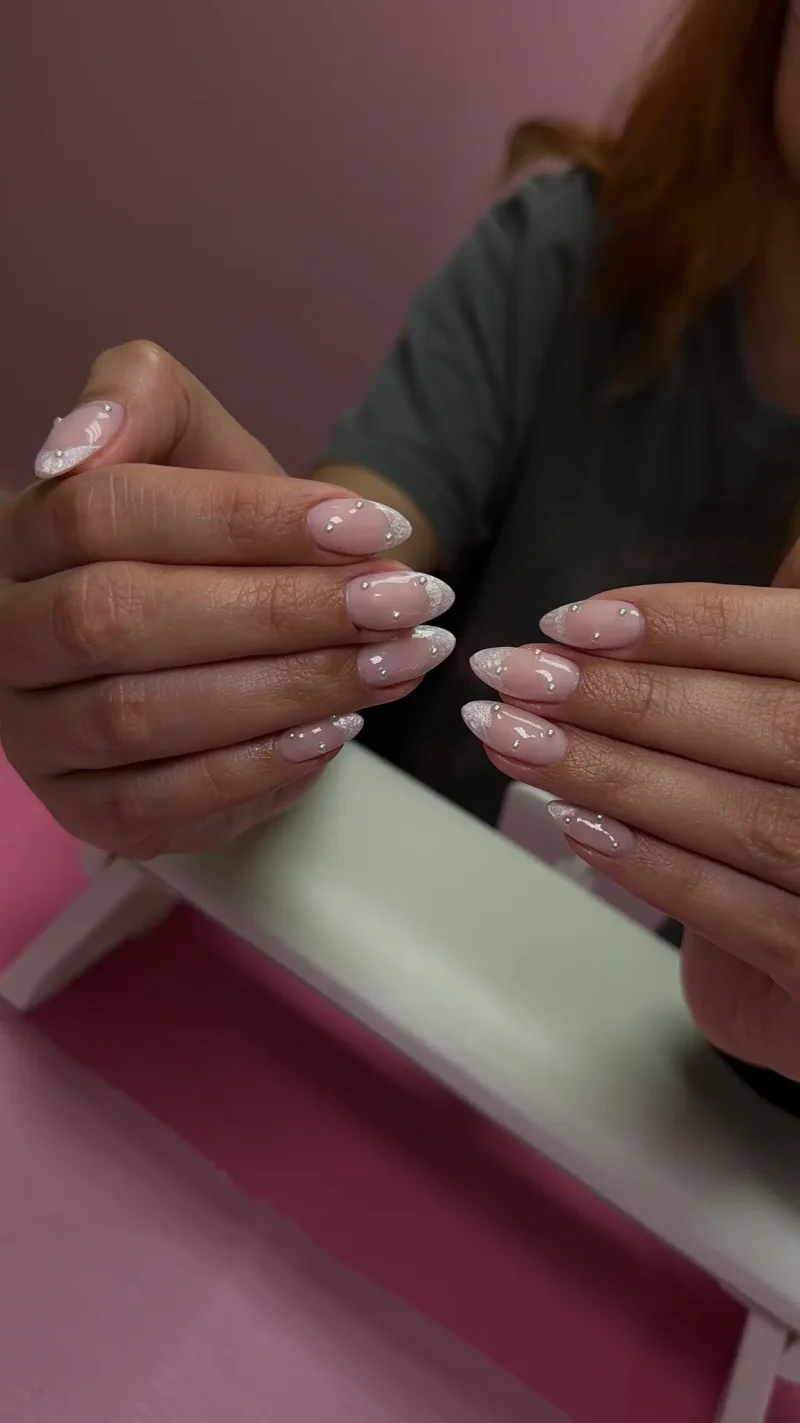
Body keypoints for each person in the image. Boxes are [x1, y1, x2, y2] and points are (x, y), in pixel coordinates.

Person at [2, 0, 800, 1090]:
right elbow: (352, 551)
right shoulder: (561, 254)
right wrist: (205, 628)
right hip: (313, 1011)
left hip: (675, 1162)